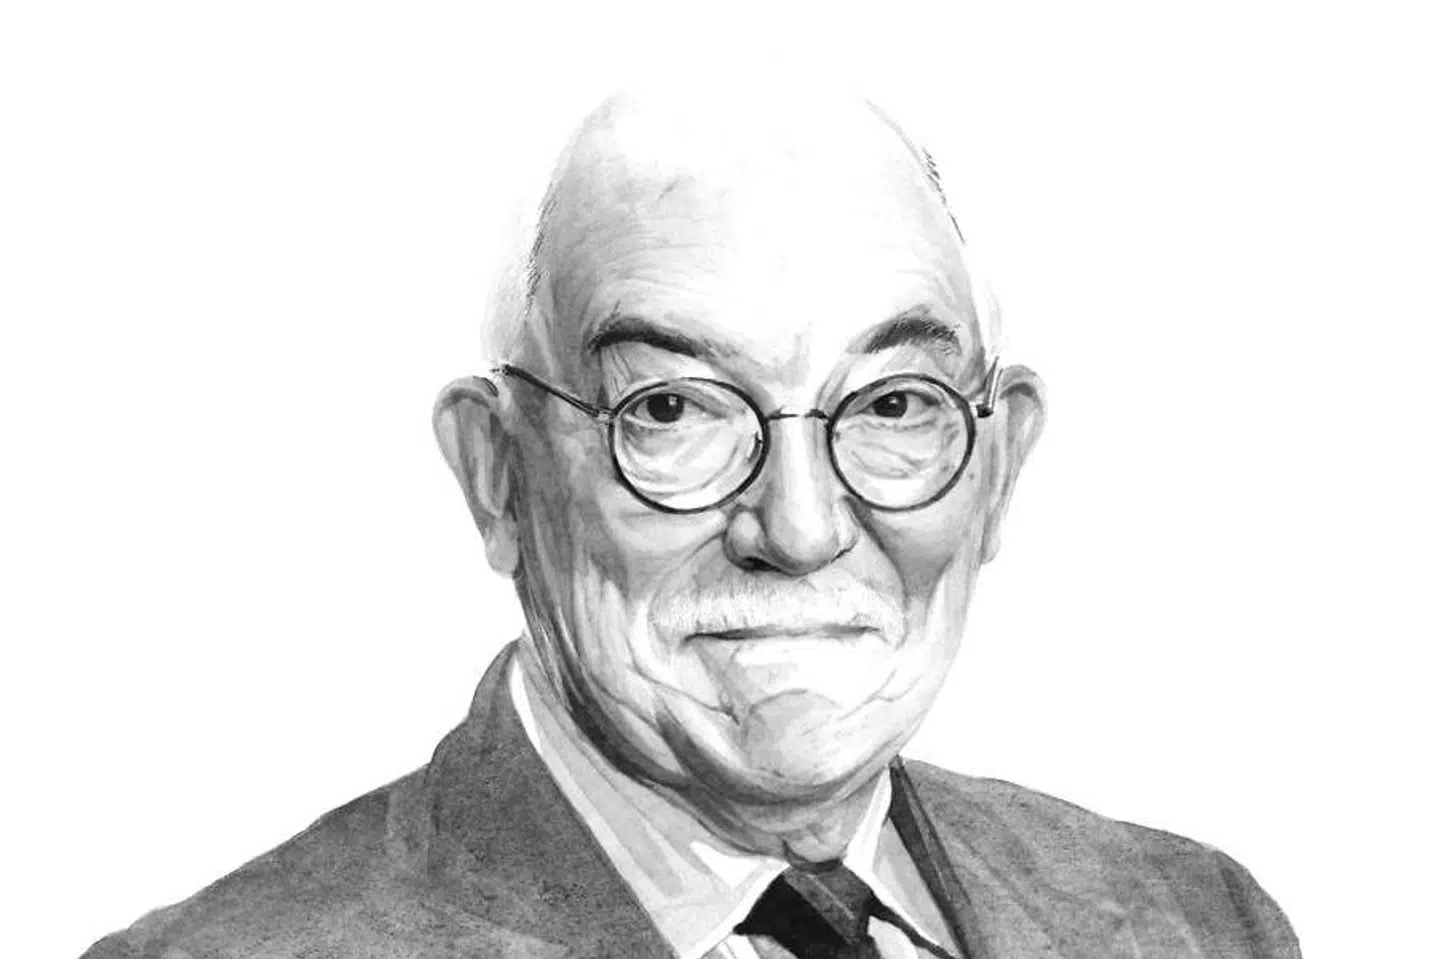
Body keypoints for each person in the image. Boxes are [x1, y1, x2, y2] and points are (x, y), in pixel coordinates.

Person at [81, 81, 1300, 959]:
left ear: (1001, 465)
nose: (802, 527)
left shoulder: (1201, 922)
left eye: (892, 404)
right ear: (497, 474)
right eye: (671, 408)